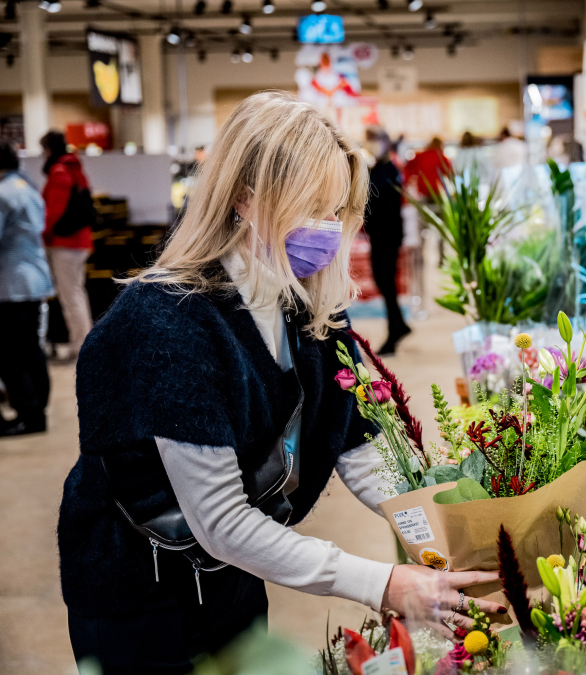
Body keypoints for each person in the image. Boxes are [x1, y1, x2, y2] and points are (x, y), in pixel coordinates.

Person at [57, 92, 499, 674]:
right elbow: (221, 521)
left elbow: (362, 452)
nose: (324, 229)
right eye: (307, 206)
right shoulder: (166, 323)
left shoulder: (308, 307)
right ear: (244, 195)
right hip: (138, 591)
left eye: (335, 210)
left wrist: (460, 527)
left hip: (231, 576)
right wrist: (382, 582)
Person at [0, 140, 53, 436]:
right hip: (33, 279)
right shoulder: (27, 188)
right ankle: (38, 409)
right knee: (31, 349)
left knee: (10, 354)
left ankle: (28, 414)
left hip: (11, 284)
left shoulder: (2, 193)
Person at [40, 131, 93, 359]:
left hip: (66, 244)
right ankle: (83, 342)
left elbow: (53, 212)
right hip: (79, 242)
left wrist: (42, 234)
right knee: (76, 294)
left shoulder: (60, 172)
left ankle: (80, 345)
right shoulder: (74, 168)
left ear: (49, 149)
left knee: (70, 296)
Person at [363, 127, 411, 355]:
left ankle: (396, 329)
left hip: (387, 236)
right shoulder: (379, 168)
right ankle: (398, 325)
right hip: (380, 235)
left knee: (386, 282)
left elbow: (376, 194)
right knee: (383, 282)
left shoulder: (389, 170)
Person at [403, 136, 452, 200]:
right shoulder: (441, 157)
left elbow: (408, 168)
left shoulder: (421, 156)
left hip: (423, 189)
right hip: (438, 190)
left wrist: (407, 181)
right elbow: (449, 173)